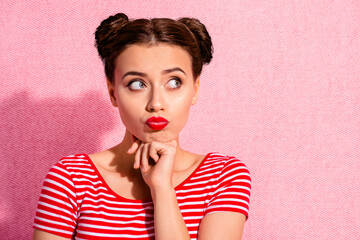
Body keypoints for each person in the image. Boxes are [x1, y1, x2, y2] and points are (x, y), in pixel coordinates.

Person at [32, 13, 251, 240]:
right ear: (113, 92)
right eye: (137, 84)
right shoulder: (72, 179)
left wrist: (162, 189)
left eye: (174, 82)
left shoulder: (223, 176)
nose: (156, 103)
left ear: (194, 90)